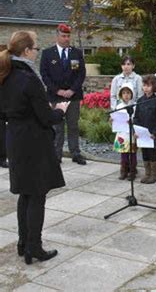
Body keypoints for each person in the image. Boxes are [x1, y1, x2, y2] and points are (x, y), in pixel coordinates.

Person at [0, 31, 70, 264]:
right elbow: (46, 117)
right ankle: (34, 247)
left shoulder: (5, 75)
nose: (37, 51)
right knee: (37, 195)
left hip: (16, 139)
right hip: (34, 142)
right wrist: (60, 110)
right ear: (27, 51)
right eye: (36, 48)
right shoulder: (28, 78)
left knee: (25, 194)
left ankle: (24, 244)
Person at [39, 23, 86, 165]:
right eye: (63, 36)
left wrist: (72, 90)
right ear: (57, 36)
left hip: (73, 96)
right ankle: (56, 154)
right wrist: (58, 91)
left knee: (73, 125)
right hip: (55, 96)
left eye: (68, 36)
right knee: (57, 127)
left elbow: (81, 73)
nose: (66, 39)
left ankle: (75, 153)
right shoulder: (48, 53)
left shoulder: (76, 53)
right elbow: (44, 74)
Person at [133, 75, 156, 184]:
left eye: (148, 85)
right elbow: (136, 117)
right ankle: (147, 173)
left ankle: (154, 174)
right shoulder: (140, 100)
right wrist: (136, 131)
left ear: (154, 86)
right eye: (144, 85)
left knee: (153, 153)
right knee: (145, 153)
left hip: (152, 134)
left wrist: (155, 133)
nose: (146, 88)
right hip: (142, 133)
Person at [112, 83, 137, 181]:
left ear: (131, 94)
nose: (126, 95)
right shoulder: (119, 106)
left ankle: (132, 171)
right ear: (121, 95)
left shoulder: (134, 106)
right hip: (122, 133)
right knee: (123, 154)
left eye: (128, 93)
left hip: (131, 133)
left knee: (132, 153)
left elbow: (137, 119)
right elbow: (116, 118)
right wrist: (113, 119)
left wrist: (132, 121)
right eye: (124, 93)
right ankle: (124, 170)